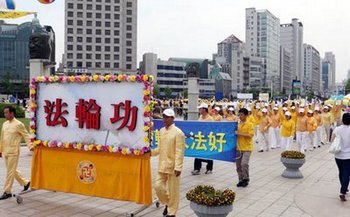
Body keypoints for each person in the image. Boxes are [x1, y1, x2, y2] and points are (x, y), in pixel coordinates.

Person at [152, 108, 185, 217]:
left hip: (173, 167)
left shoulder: (178, 133)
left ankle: (171, 213)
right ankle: (167, 203)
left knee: (173, 191)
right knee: (158, 187)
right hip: (162, 165)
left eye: (166, 117)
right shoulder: (161, 131)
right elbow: (160, 148)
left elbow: (179, 151)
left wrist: (178, 167)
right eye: (163, 117)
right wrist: (150, 153)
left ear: (172, 118)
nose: (164, 119)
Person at [0, 106, 32, 200]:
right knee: (12, 170)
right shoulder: (5, 124)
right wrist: (0, 150)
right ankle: (25, 183)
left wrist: (30, 146)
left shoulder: (19, 124)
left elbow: (26, 136)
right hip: (5, 151)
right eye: (4, 113)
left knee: (9, 172)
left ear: (12, 113)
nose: (5, 114)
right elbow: (2, 138)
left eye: (6, 112)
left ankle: (7, 192)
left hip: (13, 152)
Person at [331, 113, 350, 202]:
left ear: (342, 120)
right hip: (348, 156)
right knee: (347, 173)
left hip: (338, 155)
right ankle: (343, 191)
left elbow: (332, 140)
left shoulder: (337, 129)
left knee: (341, 172)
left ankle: (344, 186)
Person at [191, 102, 214, 175]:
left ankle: (209, 169)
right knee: (198, 153)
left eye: (200, 109)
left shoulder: (210, 119)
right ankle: (197, 169)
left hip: (207, 139)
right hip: (200, 138)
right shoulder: (200, 117)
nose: (199, 110)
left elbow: (212, 129)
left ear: (204, 109)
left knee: (208, 153)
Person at [235, 108, 255, 187]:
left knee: (244, 164)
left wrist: (239, 133)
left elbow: (250, 135)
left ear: (246, 115)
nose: (240, 116)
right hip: (238, 148)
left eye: (242, 115)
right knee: (238, 166)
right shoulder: (237, 124)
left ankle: (246, 178)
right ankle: (240, 179)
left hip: (247, 148)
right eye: (239, 115)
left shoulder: (250, 124)